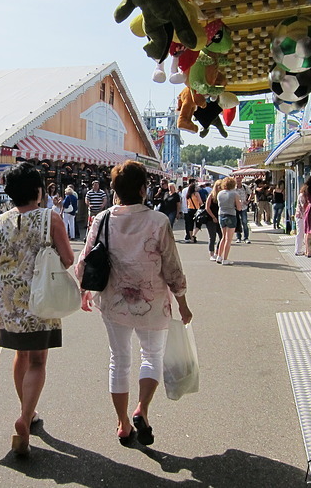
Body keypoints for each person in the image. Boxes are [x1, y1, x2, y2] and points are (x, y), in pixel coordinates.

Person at [76, 160, 192, 448]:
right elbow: (172, 268)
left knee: (119, 359)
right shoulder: (158, 221)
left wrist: (84, 291)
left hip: (113, 301)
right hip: (152, 302)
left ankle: (123, 423)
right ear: (143, 189)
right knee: (151, 355)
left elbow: (84, 261)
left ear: (114, 190)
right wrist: (183, 303)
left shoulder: (102, 219)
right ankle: (142, 408)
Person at [0, 162, 74, 457]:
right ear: (38, 190)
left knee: (20, 355)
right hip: (40, 297)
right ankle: (24, 417)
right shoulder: (51, 218)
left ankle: (28, 413)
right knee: (38, 361)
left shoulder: (0, 222)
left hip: (8, 299)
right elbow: (68, 259)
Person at [216, 177, 242, 265]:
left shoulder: (219, 193)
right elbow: (239, 208)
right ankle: (225, 259)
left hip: (221, 214)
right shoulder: (235, 194)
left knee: (223, 237)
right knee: (228, 239)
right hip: (231, 215)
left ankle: (219, 256)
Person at [204, 180, 221, 261]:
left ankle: (218, 252)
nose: (220, 187)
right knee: (212, 237)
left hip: (220, 218)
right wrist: (213, 217)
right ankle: (211, 253)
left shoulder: (222, 196)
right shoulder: (211, 195)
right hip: (210, 219)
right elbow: (207, 207)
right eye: (218, 186)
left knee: (222, 236)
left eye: (221, 186)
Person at [233, 176, 251, 244]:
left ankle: (246, 237)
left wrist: (248, 201)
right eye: (237, 179)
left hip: (244, 207)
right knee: (237, 222)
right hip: (236, 207)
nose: (238, 180)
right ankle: (238, 237)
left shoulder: (245, 187)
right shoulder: (233, 188)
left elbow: (251, 193)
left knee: (244, 222)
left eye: (239, 179)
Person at [294, 190, 307, 256]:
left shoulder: (302, 195)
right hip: (300, 217)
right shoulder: (302, 196)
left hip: (301, 216)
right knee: (300, 233)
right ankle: (298, 250)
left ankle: (301, 249)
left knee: (302, 233)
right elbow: (303, 206)